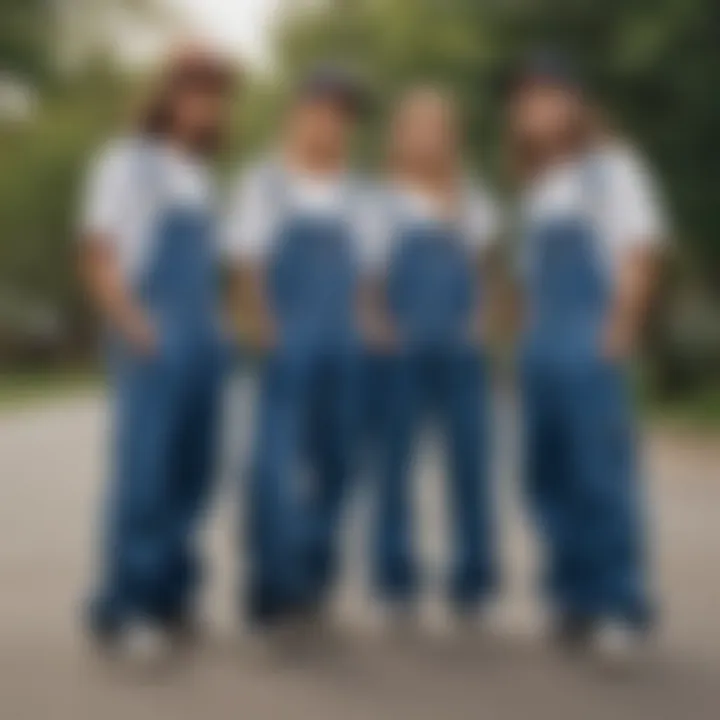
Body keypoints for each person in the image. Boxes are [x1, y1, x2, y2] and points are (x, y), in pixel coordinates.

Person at [79, 45, 237, 659]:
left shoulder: (199, 173)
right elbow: (98, 252)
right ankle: (125, 607)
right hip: (152, 325)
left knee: (192, 470)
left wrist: (220, 322)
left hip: (203, 333)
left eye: (214, 91)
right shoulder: (126, 163)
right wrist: (133, 321)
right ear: (166, 92)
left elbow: (210, 266)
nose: (203, 100)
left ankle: (172, 595)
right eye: (192, 87)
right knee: (144, 473)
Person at [507, 51, 665, 657]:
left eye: (548, 96)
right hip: (542, 345)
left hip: (591, 338)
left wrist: (620, 327)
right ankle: (570, 598)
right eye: (526, 100)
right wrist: (523, 344)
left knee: (600, 476)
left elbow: (639, 253)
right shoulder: (538, 186)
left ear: (575, 103)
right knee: (548, 475)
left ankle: (619, 604)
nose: (535, 109)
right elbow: (527, 282)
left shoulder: (613, 170)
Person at [225, 65, 369, 627]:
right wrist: (262, 328)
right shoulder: (265, 182)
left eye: (341, 115)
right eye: (319, 110)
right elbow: (246, 265)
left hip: (345, 343)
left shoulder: (359, 191)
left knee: (337, 466)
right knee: (272, 469)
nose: (329, 124)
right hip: (286, 339)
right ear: (295, 115)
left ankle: (311, 580)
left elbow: (367, 276)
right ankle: (269, 591)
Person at [362, 87, 501, 623]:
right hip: (399, 349)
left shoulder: (473, 198)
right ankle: (395, 583)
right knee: (394, 468)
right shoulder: (380, 200)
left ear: (451, 137)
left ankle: (472, 585)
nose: (426, 136)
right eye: (415, 126)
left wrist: (482, 322)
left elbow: (487, 270)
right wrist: (377, 327)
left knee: (471, 465)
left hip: (461, 351)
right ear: (398, 136)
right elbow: (369, 279)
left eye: (437, 127)